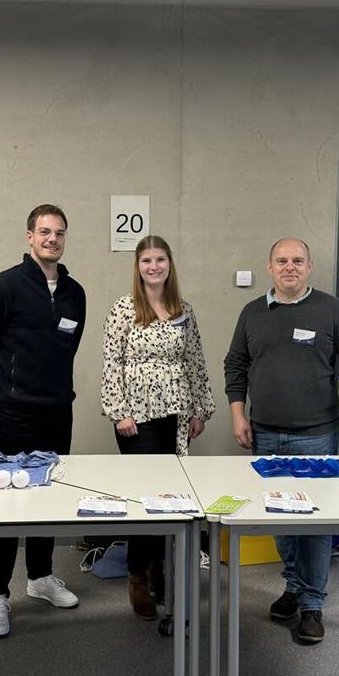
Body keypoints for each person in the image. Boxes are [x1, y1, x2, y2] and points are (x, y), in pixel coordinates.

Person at [224, 237, 339, 645]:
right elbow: (235, 365)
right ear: (270, 266)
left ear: (310, 266)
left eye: (298, 260)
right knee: (280, 519)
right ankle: (294, 586)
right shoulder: (253, 313)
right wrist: (238, 415)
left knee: (313, 523)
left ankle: (312, 604)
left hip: (316, 436)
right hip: (266, 435)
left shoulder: (332, 310)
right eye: (282, 260)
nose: (290, 267)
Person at [0, 204, 86, 638]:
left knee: (47, 496)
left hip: (57, 410)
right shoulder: (3, 288)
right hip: (11, 413)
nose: (52, 239)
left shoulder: (75, 293)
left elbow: (67, 349)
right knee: (7, 501)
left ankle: (39, 577)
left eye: (60, 233)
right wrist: (1, 390)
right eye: (45, 232)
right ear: (29, 237)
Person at [100, 235, 214, 620]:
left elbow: (196, 362)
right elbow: (111, 363)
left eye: (160, 259)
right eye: (147, 260)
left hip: (177, 417)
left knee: (171, 501)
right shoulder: (122, 309)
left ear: (170, 264)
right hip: (138, 419)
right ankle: (136, 576)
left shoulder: (184, 310)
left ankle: (159, 571)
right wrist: (118, 412)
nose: (154, 266)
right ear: (138, 265)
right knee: (143, 501)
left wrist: (200, 409)